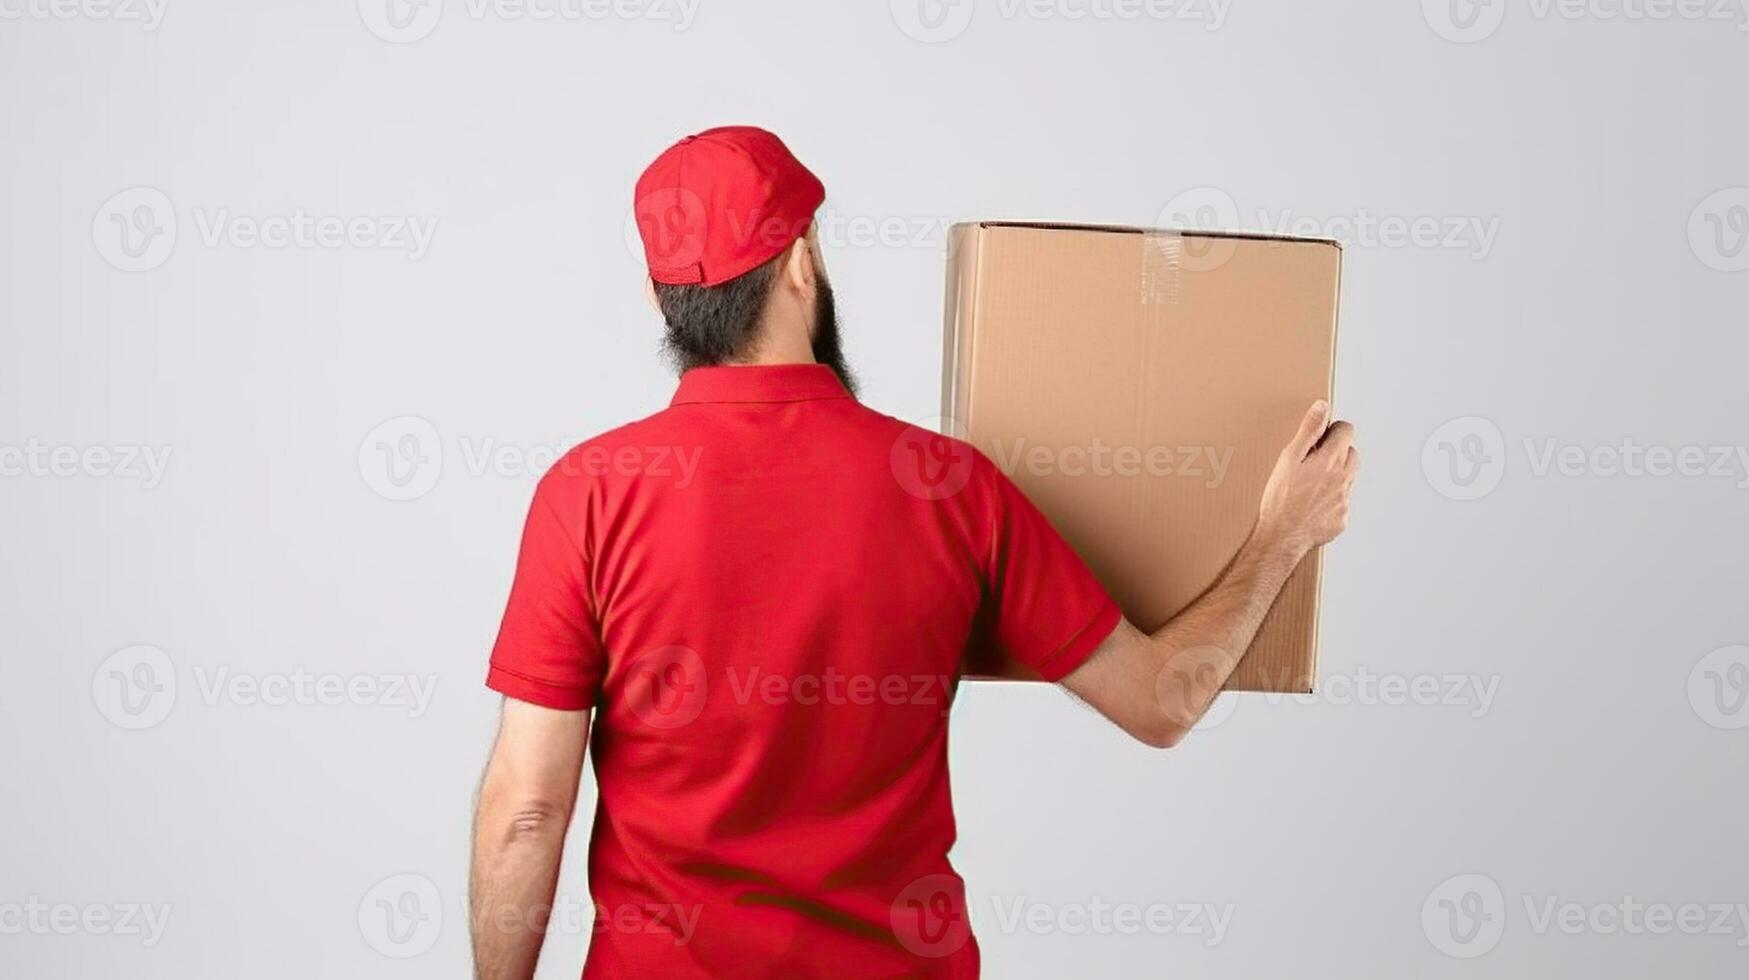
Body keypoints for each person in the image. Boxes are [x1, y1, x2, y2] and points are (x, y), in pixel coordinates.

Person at [469, 126, 1358, 979]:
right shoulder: (945, 486)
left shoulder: (587, 492)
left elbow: (528, 811)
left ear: (660, 299)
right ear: (802, 260)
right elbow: (1162, 702)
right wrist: (1283, 533)